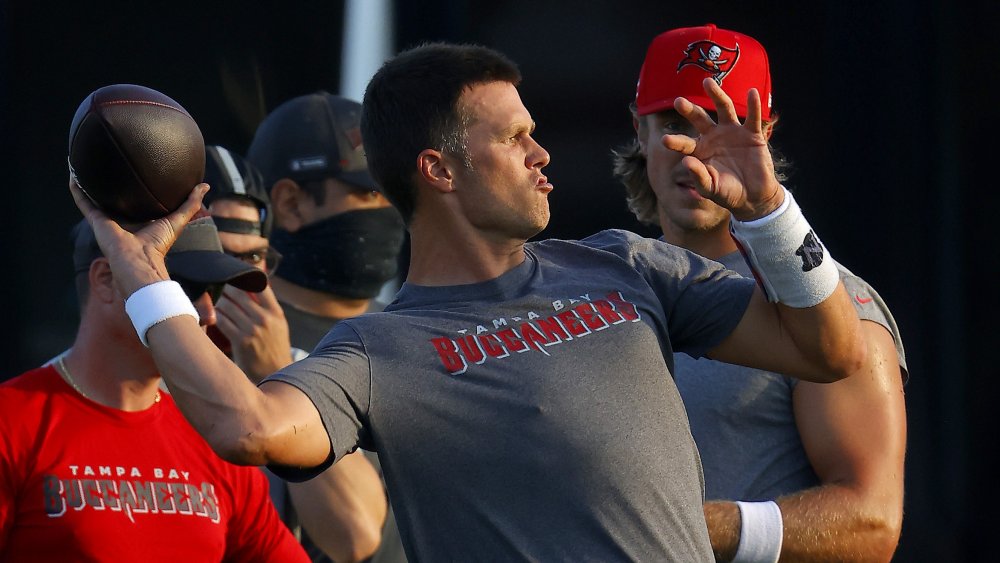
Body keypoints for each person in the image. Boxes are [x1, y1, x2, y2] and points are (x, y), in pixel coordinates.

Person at [71, 42, 869, 561]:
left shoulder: (628, 265)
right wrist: (146, 276)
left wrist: (769, 209)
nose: (543, 151)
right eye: (515, 137)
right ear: (441, 170)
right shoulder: (375, 352)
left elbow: (828, 349)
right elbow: (243, 426)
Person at [613, 24, 908, 562]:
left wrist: (685, 528)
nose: (694, 149)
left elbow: (871, 523)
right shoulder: (602, 290)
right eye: (674, 122)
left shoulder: (829, 305)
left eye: (721, 122)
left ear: (764, 133)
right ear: (640, 130)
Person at [0, 214, 309, 562]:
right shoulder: (12, 422)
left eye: (215, 291)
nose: (209, 315)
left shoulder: (214, 436)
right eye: (181, 290)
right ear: (105, 280)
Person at [201, 143, 389, 562]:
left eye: (251, 258)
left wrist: (277, 371)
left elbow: (356, 534)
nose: (230, 280)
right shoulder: (129, 373)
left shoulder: (294, 365)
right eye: (210, 257)